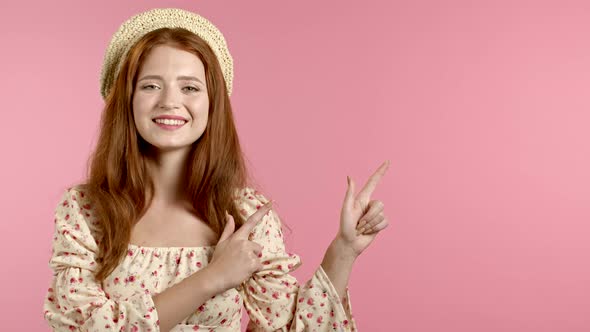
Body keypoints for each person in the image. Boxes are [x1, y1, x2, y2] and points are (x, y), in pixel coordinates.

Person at [42, 7, 390, 332]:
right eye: (150, 85)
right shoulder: (86, 211)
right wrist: (213, 277)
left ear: (213, 102)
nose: (169, 101)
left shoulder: (245, 214)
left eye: (190, 87)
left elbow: (285, 328)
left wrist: (344, 250)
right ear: (127, 100)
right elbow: (81, 325)